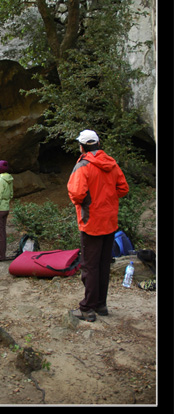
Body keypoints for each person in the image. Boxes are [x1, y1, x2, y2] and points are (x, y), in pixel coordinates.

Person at [67, 129, 129, 322]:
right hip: (109, 221)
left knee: (89, 266)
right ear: (98, 144)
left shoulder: (83, 166)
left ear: (82, 146)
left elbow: (77, 194)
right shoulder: (111, 163)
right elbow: (123, 188)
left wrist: (90, 202)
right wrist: (107, 199)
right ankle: (101, 304)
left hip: (91, 222)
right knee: (103, 264)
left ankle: (87, 308)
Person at [0, 160, 14, 262]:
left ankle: (0, 255)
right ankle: (1, 253)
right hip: (6, 208)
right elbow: (11, 194)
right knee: (2, 231)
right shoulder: (9, 179)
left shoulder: (0, 181)